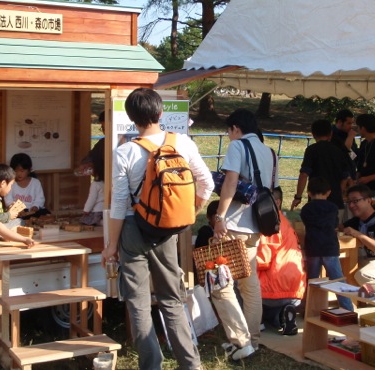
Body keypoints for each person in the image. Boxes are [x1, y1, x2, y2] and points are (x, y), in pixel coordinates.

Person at [101, 88, 213, 370]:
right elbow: (207, 183)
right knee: (172, 301)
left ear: (131, 118)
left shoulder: (124, 151)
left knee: (138, 304)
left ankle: (151, 365)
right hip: (166, 232)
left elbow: (119, 203)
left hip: (132, 230)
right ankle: (191, 364)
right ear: (161, 113)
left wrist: (111, 246)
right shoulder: (182, 143)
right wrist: (189, 212)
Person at [212, 108, 277, 361]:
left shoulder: (237, 146)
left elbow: (230, 182)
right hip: (256, 227)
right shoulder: (269, 152)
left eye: (229, 131)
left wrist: (219, 217)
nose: (229, 136)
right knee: (250, 286)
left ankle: (240, 341)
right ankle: (253, 340)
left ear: (236, 128)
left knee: (221, 283)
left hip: (234, 225)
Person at [257, 187, 306, 335]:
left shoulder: (269, 221)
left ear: (276, 202)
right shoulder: (284, 221)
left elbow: (263, 259)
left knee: (240, 280)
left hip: (274, 286)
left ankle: (258, 321)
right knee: (274, 311)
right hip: (296, 286)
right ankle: (283, 315)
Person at [300, 177, 354, 311]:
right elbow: (335, 224)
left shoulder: (306, 209)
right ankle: (348, 309)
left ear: (309, 193)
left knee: (311, 280)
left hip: (313, 248)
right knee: (338, 280)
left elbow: (306, 223)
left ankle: (308, 309)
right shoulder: (333, 207)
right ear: (328, 192)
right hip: (330, 248)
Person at [291, 119, 349, 220]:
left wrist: (298, 196)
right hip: (336, 201)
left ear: (313, 134)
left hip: (316, 200)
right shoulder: (339, 151)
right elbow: (345, 176)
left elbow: (304, 174)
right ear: (331, 133)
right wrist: (339, 192)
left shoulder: (311, 150)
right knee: (335, 228)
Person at [4, 153, 48, 219]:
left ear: (29, 170)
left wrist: (35, 206)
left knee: (45, 212)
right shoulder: (10, 183)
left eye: (22, 171)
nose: (19, 174)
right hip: (17, 213)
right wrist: (15, 209)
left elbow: (40, 198)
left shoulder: (35, 183)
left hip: (32, 212)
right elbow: (8, 200)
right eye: (16, 171)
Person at [77, 111, 106, 179]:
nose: (104, 132)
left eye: (106, 128)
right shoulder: (102, 143)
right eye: (103, 129)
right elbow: (91, 157)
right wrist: (87, 164)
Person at [80, 161, 104, 226]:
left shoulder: (95, 184)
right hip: (106, 209)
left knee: (84, 220)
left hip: (97, 210)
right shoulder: (106, 183)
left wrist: (86, 210)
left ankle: (101, 222)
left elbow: (92, 198)